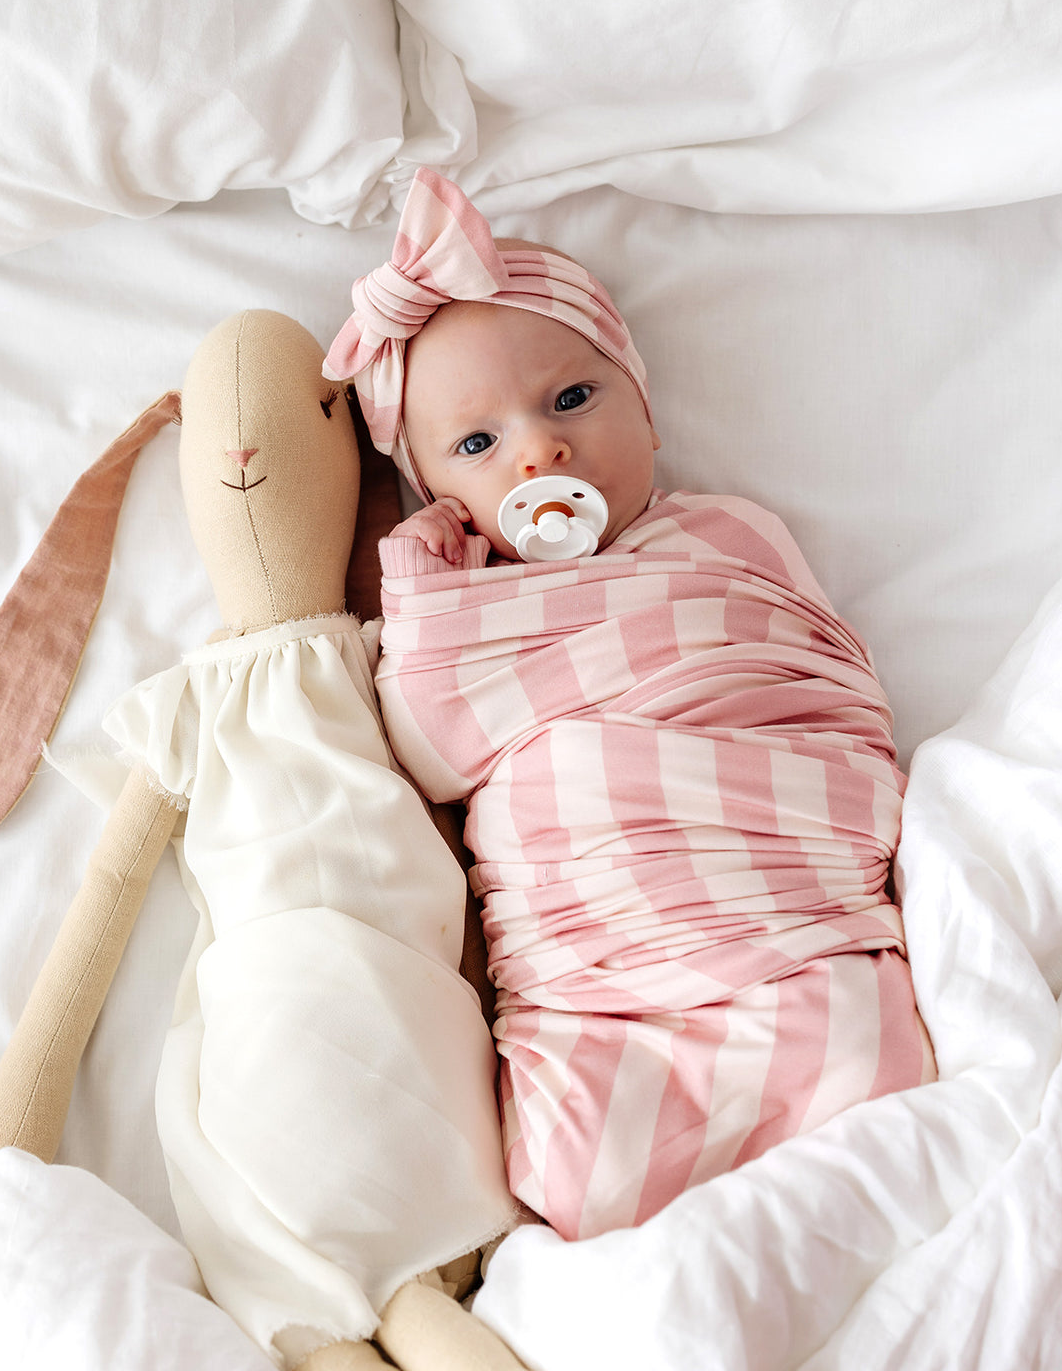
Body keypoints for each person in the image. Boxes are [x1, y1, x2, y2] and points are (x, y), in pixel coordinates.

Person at [324, 168, 936, 1243]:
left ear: (644, 412)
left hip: (776, 918)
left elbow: (819, 692)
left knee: (866, 1068)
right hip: (598, 982)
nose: (537, 451)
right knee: (573, 1168)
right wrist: (423, 593)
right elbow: (428, 753)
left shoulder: (726, 540)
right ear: (432, 493)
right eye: (476, 445)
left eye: (569, 399)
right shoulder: (464, 609)